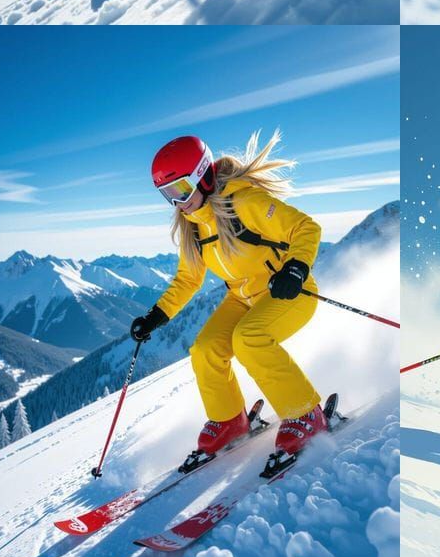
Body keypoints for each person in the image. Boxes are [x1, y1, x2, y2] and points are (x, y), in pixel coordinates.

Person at [130, 132, 327, 463]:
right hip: (243, 296)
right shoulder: (193, 224)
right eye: (167, 194)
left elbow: (306, 228)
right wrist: (156, 315)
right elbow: (188, 278)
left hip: (288, 290)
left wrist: (295, 269)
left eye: (180, 189)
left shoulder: (245, 202)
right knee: (205, 349)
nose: (177, 202)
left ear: (202, 175)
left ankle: (306, 414)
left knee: (248, 338)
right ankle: (229, 420)